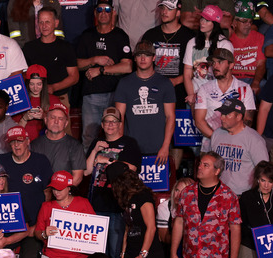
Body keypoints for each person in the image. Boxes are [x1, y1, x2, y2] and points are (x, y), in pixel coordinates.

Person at [84, 107, 142, 258]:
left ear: (120, 124)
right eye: (107, 122)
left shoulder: (129, 143)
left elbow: (133, 168)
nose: (110, 125)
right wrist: (95, 151)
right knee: (96, 255)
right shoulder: (97, 142)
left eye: (114, 122)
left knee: (115, 254)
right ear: (102, 125)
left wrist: (108, 160)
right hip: (96, 204)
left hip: (117, 205)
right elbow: (86, 171)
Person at [0, 126, 53, 258]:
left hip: (32, 227)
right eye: (13, 142)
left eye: (20, 141)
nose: (16, 145)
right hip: (7, 228)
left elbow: (48, 194)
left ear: (27, 141)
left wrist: (40, 225)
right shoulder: (1, 161)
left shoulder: (40, 161)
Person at [170, 151, 241, 258]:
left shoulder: (228, 196)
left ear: (217, 171)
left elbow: (235, 228)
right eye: (200, 164)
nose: (199, 167)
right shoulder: (187, 193)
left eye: (205, 165)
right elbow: (179, 223)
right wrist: (173, 253)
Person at [75, 0, 132, 150]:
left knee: (117, 135)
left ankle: (116, 169)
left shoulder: (120, 36)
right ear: (95, 13)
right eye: (100, 10)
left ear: (113, 12)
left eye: (107, 9)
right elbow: (77, 64)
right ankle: (87, 172)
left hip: (116, 94)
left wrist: (100, 70)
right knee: (89, 136)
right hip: (92, 95)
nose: (103, 13)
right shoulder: (87, 35)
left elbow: (128, 66)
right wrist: (94, 60)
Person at [114, 40, 176, 164]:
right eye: (139, 55)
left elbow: (170, 117)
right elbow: (118, 118)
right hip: (131, 148)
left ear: (153, 58)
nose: (143, 58)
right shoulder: (124, 83)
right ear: (134, 58)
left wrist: (165, 146)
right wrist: (120, 147)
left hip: (159, 150)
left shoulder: (165, 83)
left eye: (147, 55)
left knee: (160, 184)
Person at [107, 162, 166, 258]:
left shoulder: (143, 196)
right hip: (131, 253)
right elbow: (127, 230)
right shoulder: (125, 199)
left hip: (149, 255)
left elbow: (151, 227)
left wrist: (142, 256)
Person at [202, 97, 268, 196]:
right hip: (218, 193)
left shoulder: (254, 140)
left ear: (239, 117)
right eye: (222, 114)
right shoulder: (217, 134)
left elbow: (264, 171)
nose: (222, 118)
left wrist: (252, 196)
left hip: (243, 195)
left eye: (227, 115)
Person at [193, 48, 256, 147]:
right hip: (211, 144)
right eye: (213, 63)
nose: (215, 66)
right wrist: (219, 139)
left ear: (231, 65)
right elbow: (199, 121)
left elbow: (248, 120)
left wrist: (232, 139)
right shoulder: (204, 89)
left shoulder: (244, 88)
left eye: (220, 62)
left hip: (237, 144)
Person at [35, 171, 95, 258]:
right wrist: (44, 234)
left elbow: (95, 230)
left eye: (60, 188)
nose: (56, 192)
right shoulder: (46, 206)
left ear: (69, 188)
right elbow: (37, 233)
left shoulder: (83, 203)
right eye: (54, 188)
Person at [141, 0, 196, 109]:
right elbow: (141, 63)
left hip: (180, 94)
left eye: (169, 9)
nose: (164, 12)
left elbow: (198, 68)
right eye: (162, 8)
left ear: (178, 12)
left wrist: (176, 81)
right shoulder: (150, 35)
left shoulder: (189, 36)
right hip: (154, 91)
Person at [22, 7, 79, 108]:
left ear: (56, 23)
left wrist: (53, 87)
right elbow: (23, 74)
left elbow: (74, 77)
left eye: (47, 22)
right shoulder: (29, 48)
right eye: (41, 22)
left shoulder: (66, 47)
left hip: (59, 98)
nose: (44, 26)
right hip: (34, 99)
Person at [182, 4, 234, 107]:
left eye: (207, 20)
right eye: (202, 18)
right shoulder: (192, 42)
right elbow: (187, 73)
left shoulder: (224, 44)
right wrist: (191, 95)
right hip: (196, 97)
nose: (202, 22)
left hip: (218, 97)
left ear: (215, 23)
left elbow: (227, 75)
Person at [31, 103, 86, 181]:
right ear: (46, 120)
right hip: (40, 191)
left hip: (64, 191)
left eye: (60, 119)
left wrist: (61, 192)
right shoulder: (34, 145)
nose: (56, 121)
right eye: (53, 117)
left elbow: (77, 178)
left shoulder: (75, 146)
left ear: (66, 123)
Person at [13, 65, 61, 141]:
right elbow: (14, 132)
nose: (35, 88)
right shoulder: (19, 100)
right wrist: (25, 118)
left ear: (44, 84)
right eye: (32, 84)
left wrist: (44, 117)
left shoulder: (54, 100)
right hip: (24, 142)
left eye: (39, 84)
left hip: (45, 143)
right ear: (27, 84)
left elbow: (59, 128)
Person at [229, 0, 266, 95]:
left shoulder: (259, 37)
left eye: (250, 21)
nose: (248, 25)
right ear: (235, 22)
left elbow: (261, 64)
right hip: (233, 80)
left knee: (266, 85)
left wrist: (256, 82)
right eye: (244, 21)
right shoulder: (228, 39)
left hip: (252, 79)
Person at [156, 177, 195, 244]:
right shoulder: (165, 206)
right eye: (177, 190)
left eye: (183, 191)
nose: (178, 195)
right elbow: (163, 238)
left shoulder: (197, 208)